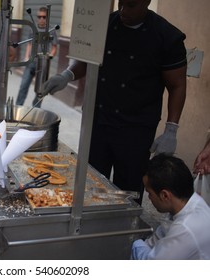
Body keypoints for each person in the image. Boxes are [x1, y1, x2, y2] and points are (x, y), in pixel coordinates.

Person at [42, 0, 187, 204]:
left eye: (131, 5)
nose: (123, 11)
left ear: (146, 2)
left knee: (128, 190)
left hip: (136, 129)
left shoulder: (166, 36)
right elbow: (86, 60)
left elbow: (177, 85)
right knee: (91, 181)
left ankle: (123, 231)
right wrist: (67, 75)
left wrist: (171, 129)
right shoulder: (103, 25)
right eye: (121, 3)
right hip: (99, 121)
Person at [131, 154, 210, 259]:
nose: (149, 198)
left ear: (165, 195)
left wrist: (135, 243)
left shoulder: (184, 228)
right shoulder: (192, 202)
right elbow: (160, 235)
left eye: (149, 193)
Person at [15, 6, 58, 107]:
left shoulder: (51, 30)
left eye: (44, 17)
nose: (42, 19)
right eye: (39, 17)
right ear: (37, 17)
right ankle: (17, 106)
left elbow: (54, 47)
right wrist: (26, 56)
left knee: (40, 90)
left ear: (47, 18)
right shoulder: (33, 29)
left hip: (43, 64)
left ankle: (36, 109)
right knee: (23, 86)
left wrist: (50, 56)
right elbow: (29, 44)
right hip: (31, 62)